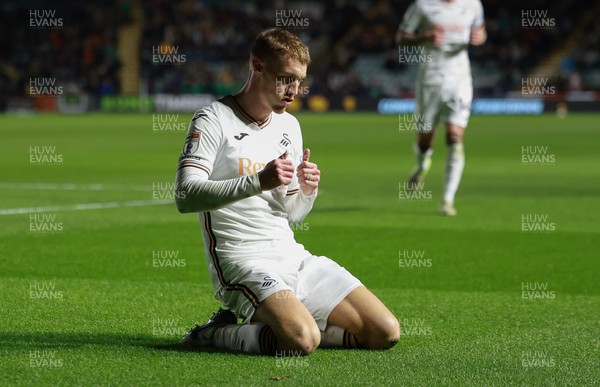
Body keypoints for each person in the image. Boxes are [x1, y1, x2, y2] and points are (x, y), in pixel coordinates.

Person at [175, 28, 399, 356]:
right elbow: (185, 196)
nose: (294, 90)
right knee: (302, 341)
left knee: (384, 332)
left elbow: (292, 214)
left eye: (299, 81)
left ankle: (288, 323)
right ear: (258, 66)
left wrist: (306, 192)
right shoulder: (213, 120)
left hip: (292, 256)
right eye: (286, 79)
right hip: (243, 260)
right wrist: (256, 181)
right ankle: (213, 333)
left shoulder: (289, 126)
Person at [396, 0, 486, 215]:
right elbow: (401, 38)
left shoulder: (473, 4)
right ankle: (421, 164)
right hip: (431, 79)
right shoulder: (423, 5)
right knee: (425, 138)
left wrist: (480, 38)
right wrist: (424, 37)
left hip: (460, 79)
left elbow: (481, 31)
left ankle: (447, 200)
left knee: (455, 136)